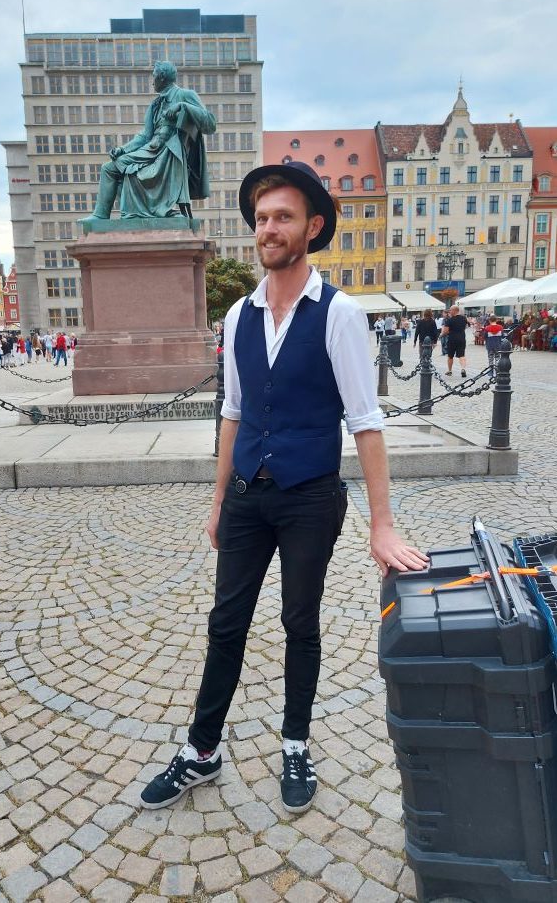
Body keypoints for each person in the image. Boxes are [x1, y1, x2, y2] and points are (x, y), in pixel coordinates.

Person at [138, 160, 428, 814]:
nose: (269, 228)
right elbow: (232, 412)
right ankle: (202, 749)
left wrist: (382, 523)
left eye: (283, 217)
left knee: (300, 621)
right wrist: (218, 500)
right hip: (247, 494)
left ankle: (295, 740)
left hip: (308, 496)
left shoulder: (339, 313)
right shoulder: (239, 314)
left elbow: (366, 420)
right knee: (225, 623)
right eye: (262, 218)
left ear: (312, 226)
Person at [89, 61, 216, 220]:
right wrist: (123, 149)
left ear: (162, 78)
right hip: (150, 151)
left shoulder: (185, 95)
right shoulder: (155, 105)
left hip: (168, 155)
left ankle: (150, 212)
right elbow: (145, 136)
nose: (152, 81)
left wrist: (183, 106)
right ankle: (100, 216)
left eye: (154, 76)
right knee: (109, 168)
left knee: (126, 173)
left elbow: (210, 125)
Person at [442, 305, 470, 377]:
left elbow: (445, 331)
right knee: (462, 355)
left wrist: (442, 334)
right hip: (461, 338)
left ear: (455, 311)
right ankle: (463, 369)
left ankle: (450, 370)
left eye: (450, 310)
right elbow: (466, 326)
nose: (449, 312)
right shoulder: (464, 318)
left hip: (452, 339)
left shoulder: (450, 320)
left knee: (450, 356)